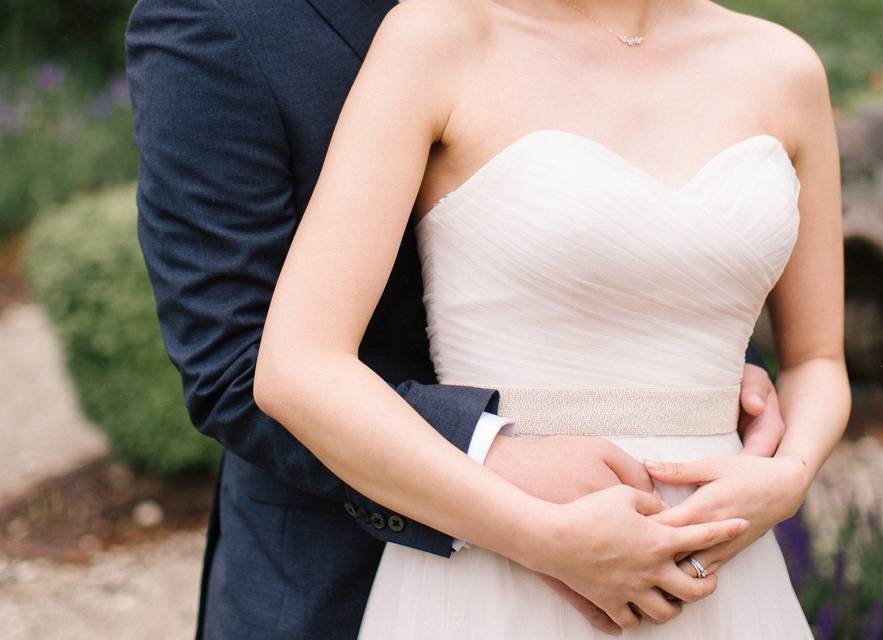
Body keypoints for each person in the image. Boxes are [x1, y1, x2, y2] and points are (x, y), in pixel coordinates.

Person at [125, 0, 800, 637]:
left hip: (673, 539)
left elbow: (646, 205)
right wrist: (497, 456)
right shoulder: (218, 19)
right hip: (345, 571)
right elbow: (233, 362)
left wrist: (697, 368)